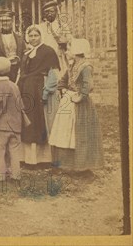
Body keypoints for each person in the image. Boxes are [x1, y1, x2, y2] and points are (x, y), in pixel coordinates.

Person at [49, 38, 103, 171]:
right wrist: (62, 89)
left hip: (81, 104)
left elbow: (88, 85)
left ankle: (82, 165)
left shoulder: (85, 67)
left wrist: (80, 97)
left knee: (80, 133)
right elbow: (63, 80)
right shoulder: (72, 65)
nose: (67, 52)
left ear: (77, 51)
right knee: (64, 132)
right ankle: (66, 164)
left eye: (69, 50)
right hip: (68, 100)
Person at [0, 57, 30, 182]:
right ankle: (15, 175)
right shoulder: (14, 86)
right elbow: (21, 105)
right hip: (15, 125)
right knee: (14, 151)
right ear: (9, 70)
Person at [18, 26, 61, 167]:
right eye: (31, 36)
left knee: (39, 120)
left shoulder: (48, 51)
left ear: (41, 36)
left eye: (36, 35)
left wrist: (46, 91)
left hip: (38, 88)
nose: (33, 38)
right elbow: (22, 72)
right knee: (27, 120)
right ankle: (28, 158)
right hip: (27, 90)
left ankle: (43, 159)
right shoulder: (27, 52)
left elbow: (53, 73)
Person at [36, 1, 72, 76]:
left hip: (60, 56)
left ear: (56, 12)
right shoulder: (40, 27)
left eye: (51, 11)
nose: (49, 14)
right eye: (46, 12)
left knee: (60, 76)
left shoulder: (63, 26)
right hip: (46, 57)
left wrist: (65, 42)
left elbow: (70, 41)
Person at [0, 10, 25, 82]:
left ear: (12, 21)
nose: (5, 23)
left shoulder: (19, 38)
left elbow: (24, 56)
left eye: (8, 20)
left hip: (16, 73)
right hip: (0, 74)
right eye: (2, 21)